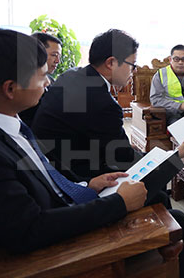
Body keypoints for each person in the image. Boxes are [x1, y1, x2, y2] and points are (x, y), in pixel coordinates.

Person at [0, 29, 184, 278]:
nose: (48, 83)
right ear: (10, 88)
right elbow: (29, 228)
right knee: (171, 209)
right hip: (56, 230)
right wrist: (121, 201)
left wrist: (87, 186)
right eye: (42, 75)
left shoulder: (17, 117)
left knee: (160, 200)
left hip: (73, 174)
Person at [32, 29, 143, 181]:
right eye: (132, 65)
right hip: (71, 176)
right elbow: (124, 158)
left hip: (45, 164)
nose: (133, 71)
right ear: (111, 63)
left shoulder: (71, 75)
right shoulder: (103, 103)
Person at [19, 32, 62, 126]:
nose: (57, 61)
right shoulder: (21, 85)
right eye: (54, 55)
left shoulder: (52, 81)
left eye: (59, 57)